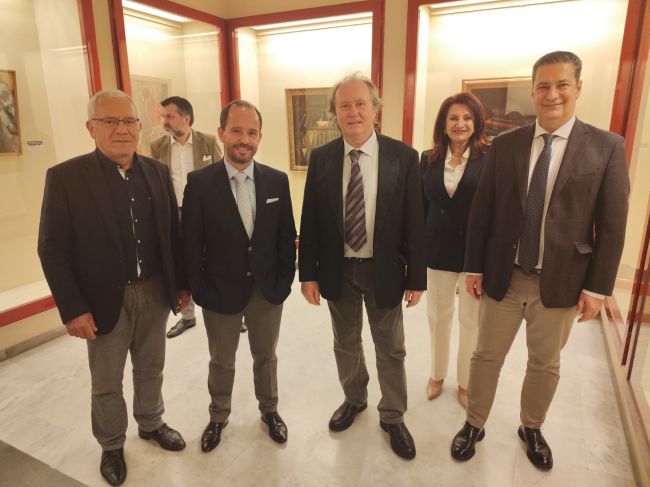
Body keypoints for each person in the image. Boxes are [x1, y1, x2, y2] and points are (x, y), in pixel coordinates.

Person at [450, 51, 630, 470]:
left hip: (562, 279)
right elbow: (482, 212)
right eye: (543, 86)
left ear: (578, 88)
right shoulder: (505, 145)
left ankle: (532, 426)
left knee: (545, 362)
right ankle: (474, 423)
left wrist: (597, 288)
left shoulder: (606, 147)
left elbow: (612, 225)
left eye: (562, 85)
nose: (552, 94)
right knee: (485, 356)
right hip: (505, 275)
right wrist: (474, 267)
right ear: (532, 92)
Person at [37, 89, 189, 487]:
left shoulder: (156, 172)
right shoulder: (66, 178)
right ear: (91, 128)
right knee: (107, 380)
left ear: (139, 127)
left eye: (129, 121)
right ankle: (111, 444)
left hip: (154, 291)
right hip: (104, 298)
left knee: (151, 367)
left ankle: (151, 422)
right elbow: (52, 248)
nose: (121, 129)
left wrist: (181, 284)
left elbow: (172, 234)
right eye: (110, 121)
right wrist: (73, 309)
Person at [299, 73, 426, 460]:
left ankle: (393, 414)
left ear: (375, 110)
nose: (352, 112)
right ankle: (354, 398)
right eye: (344, 106)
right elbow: (310, 220)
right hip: (338, 269)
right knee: (345, 343)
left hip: (384, 270)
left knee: (391, 347)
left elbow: (415, 221)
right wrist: (308, 274)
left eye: (360, 104)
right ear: (335, 113)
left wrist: (417, 278)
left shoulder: (403, 157)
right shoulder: (321, 158)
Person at [182, 100, 296, 453]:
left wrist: (283, 281)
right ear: (221, 133)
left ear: (259, 137)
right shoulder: (199, 183)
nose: (244, 139)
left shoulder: (277, 180)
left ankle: (270, 410)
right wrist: (197, 288)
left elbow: (285, 236)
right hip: (219, 291)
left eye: (251, 132)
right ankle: (218, 416)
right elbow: (191, 242)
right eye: (236, 130)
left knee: (266, 356)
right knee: (221, 360)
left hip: (266, 290)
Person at [421, 92, 489, 409]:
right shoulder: (428, 158)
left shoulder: (489, 158)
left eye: (467, 118)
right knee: (438, 317)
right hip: (437, 251)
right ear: (443, 124)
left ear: (476, 123)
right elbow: (421, 207)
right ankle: (437, 375)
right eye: (453, 118)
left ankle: (465, 382)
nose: (460, 124)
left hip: (475, 254)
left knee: (470, 321)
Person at [150, 96, 229, 338]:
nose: (165, 121)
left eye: (169, 116)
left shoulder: (208, 142)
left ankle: (232, 311)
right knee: (183, 261)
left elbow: (222, 174)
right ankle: (187, 316)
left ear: (186, 118)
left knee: (218, 257)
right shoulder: (157, 147)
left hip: (206, 211)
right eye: (163, 116)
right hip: (174, 213)